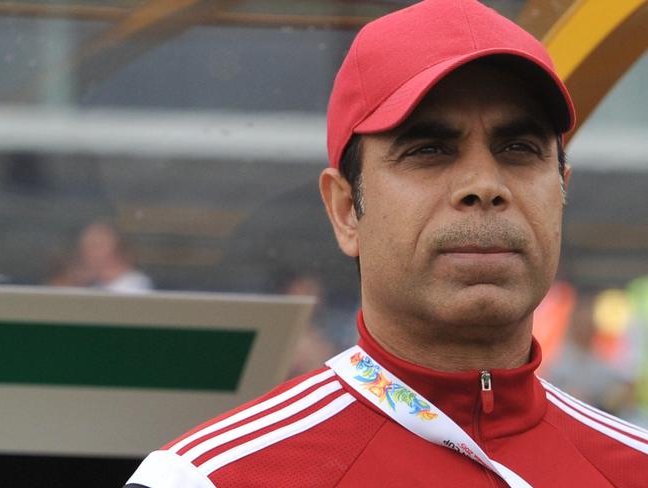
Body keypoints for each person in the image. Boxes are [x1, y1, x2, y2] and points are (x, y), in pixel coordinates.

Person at [126, 1, 647, 486]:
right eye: (428, 149)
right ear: (346, 209)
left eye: (518, 148)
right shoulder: (208, 479)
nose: (484, 186)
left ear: (562, 191)